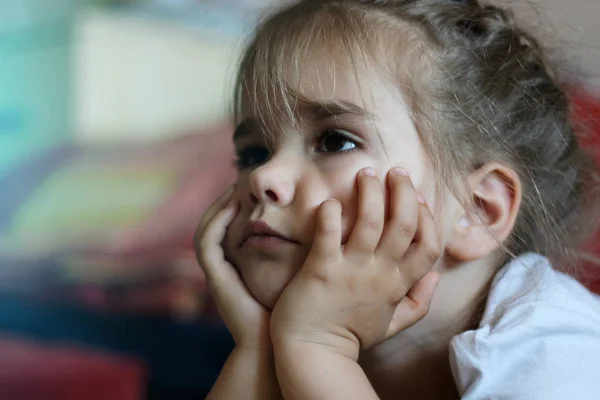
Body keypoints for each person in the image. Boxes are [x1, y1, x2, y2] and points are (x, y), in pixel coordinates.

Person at [194, 0, 600, 398]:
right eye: (252, 154)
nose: (264, 176)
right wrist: (256, 348)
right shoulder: (288, 333)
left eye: (335, 141)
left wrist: (318, 348)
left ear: (477, 210)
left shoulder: (557, 353)